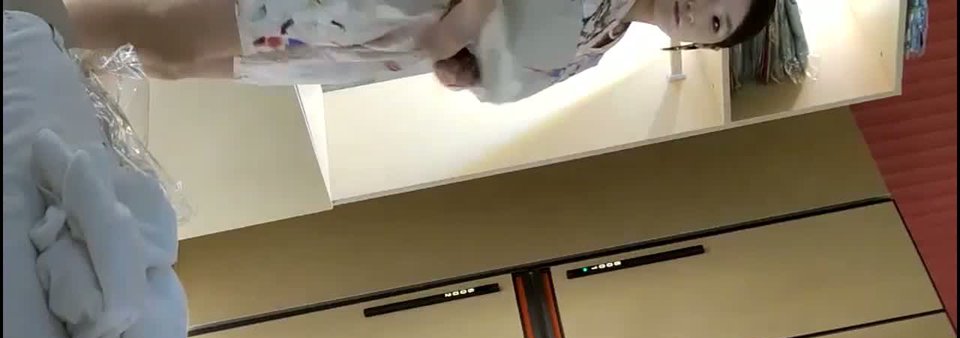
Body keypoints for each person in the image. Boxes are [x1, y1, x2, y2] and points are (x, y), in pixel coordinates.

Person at [63, 0, 776, 94]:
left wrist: (461, 67)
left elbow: (493, 66)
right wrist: (464, 25)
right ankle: (34, 22)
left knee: (180, 62)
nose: (701, 8)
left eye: (717, 22)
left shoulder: (600, 48)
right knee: (168, 27)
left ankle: (44, 51)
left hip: (380, 45)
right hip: (376, 5)